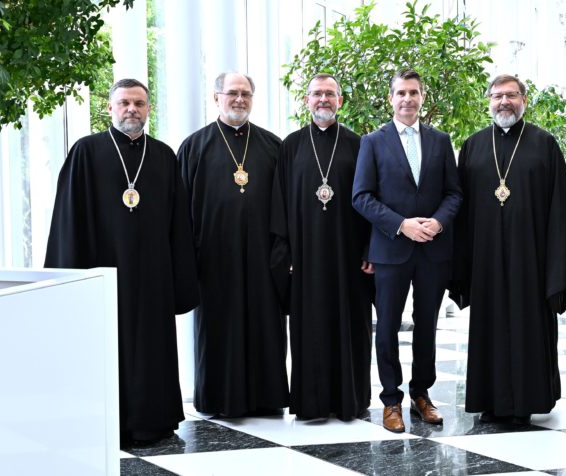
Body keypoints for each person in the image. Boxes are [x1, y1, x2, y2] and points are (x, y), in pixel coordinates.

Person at [45, 78, 199, 446]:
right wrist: (70, 280)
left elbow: (179, 223)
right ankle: (105, 421)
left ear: (149, 109)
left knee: (151, 347)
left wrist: (181, 277)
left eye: (139, 103)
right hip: (103, 273)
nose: (132, 109)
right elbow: (69, 220)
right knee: (107, 346)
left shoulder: (163, 156)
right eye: (125, 103)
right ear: (110, 108)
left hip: (153, 275)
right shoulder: (86, 152)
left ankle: (154, 420)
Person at [450, 74, 566, 425]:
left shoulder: (544, 144)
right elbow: (462, 210)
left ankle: (527, 401)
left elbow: (560, 210)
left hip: (530, 261)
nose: (504, 102)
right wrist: (462, 265)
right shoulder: (472, 146)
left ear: (524, 99)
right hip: (486, 260)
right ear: (488, 100)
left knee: (527, 327)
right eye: (497, 96)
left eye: (512, 95)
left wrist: (556, 267)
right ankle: (491, 401)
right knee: (489, 328)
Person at [352, 68, 462, 433]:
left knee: (427, 326)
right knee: (386, 328)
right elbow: (361, 196)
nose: (407, 99)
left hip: (433, 248)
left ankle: (421, 394)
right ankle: (390, 400)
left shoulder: (440, 140)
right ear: (391, 98)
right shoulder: (373, 141)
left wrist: (438, 222)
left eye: (413, 92)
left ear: (422, 97)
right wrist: (402, 224)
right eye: (400, 93)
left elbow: (454, 193)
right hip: (391, 248)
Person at [177, 71, 288, 417]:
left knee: (265, 325)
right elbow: (181, 211)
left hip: (263, 256)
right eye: (232, 93)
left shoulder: (273, 146)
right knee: (217, 329)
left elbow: (285, 205)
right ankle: (218, 398)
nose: (239, 99)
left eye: (246, 94)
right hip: (213, 257)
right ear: (216, 98)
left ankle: (266, 397)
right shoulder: (194, 146)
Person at [271, 73, 373, 421]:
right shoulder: (291, 145)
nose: (323, 100)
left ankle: (351, 401)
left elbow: (372, 200)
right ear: (306, 100)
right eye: (317, 94)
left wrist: (370, 250)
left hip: (349, 257)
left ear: (340, 101)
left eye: (330, 94)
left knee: (351, 327)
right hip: (306, 258)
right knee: (309, 329)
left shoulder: (359, 144)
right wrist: (285, 255)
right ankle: (312, 403)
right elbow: (279, 203)